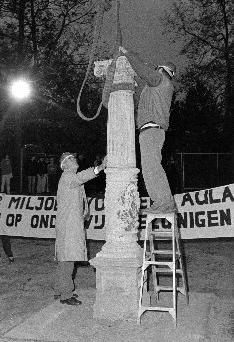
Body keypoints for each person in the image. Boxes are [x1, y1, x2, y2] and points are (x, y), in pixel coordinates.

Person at [117, 45, 177, 214]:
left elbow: (143, 69)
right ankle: (161, 201)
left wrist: (127, 54)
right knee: (150, 168)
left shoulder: (160, 80)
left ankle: (164, 202)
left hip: (151, 130)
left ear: (162, 70)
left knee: (152, 168)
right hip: (151, 130)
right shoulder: (158, 86)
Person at [54, 152, 107, 305]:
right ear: (64, 165)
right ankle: (65, 294)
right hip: (68, 225)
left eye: (74, 157)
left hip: (70, 223)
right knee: (67, 259)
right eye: (70, 159)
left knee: (66, 258)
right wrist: (100, 167)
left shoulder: (70, 177)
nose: (74, 159)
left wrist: (84, 212)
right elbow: (81, 177)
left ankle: (60, 289)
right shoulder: (68, 176)